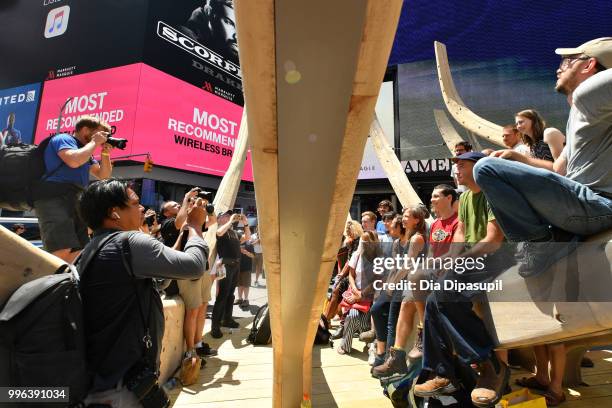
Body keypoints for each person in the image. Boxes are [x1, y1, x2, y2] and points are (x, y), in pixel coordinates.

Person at [474, 38, 612, 406]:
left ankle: (538, 247)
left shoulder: (592, 91)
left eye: (569, 60)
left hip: (595, 205)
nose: (559, 65)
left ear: (589, 66)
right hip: (579, 203)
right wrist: (518, 162)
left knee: (486, 169)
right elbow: (560, 170)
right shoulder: (581, 110)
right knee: (496, 167)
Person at [77, 179, 209, 406]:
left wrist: (183, 236)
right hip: (125, 387)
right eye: (135, 203)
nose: (142, 209)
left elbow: (159, 281)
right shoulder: (130, 241)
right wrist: (196, 226)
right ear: (114, 213)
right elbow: (194, 266)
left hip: (105, 377)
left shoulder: (93, 247)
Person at [414, 152, 510, 407]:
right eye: (455, 165)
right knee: (434, 298)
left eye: (462, 165)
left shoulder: (492, 193)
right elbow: (461, 232)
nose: (456, 170)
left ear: (478, 168)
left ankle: (491, 365)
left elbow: (493, 240)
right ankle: (444, 372)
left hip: (498, 260)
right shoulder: (466, 196)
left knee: (443, 294)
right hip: (475, 260)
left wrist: (460, 259)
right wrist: (451, 259)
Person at [34, 115, 113, 263]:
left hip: (76, 199)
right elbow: (73, 161)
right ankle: (48, 283)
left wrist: (105, 152)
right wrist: (95, 143)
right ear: (85, 130)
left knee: (80, 251)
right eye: (100, 133)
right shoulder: (64, 139)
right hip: (53, 197)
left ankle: (69, 283)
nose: (102, 138)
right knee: (61, 249)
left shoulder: (85, 151)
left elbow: (103, 175)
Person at [371, 205, 429, 379]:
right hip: (407, 283)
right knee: (388, 313)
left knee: (395, 313)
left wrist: (392, 284)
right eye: (403, 216)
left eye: (406, 216)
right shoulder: (404, 239)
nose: (402, 218)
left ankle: (393, 359)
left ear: (416, 220)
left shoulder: (417, 238)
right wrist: (389, 284)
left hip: (415, 283)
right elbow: (396, 266)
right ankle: (392, 358)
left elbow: (408, 265)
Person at [337, 230, 381, 354]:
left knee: (363, 322)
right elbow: (351, 275)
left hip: (370, 296)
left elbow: (377, 280)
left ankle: (368, 340)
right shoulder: (357, 255)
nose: (363, 243)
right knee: (353, 315)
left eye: (366, 241)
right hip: (355, 291)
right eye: (362, 240)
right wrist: (355, 290)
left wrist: (360, 295)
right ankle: (345, 345)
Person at [211, 210, 250, 338]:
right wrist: (230, 221)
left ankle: (227, 319)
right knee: (222, 296)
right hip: (225, 265)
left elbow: (247, 238)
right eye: (225, 215)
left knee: (230, 295)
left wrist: (245, 224)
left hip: (236, 265)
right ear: (219, 219)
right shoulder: (221, 229)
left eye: (230, 215)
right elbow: (219, 232)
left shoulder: (234, 232)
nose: (229, 216)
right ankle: (215, 327)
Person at [180, 0, 239, 65]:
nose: (236, 36)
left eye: (239, 29)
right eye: (228, 22)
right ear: (209, 13)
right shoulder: (184, 36)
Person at [235, 237, 255, 309]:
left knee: (246, 284)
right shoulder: (236, 244)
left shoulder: (249, 244)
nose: (240, 238)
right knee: (239, 284)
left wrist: (246, 252)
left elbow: (253, 256)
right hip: (237, 267)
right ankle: (240, 299)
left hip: (246, 268)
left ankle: (246, 299)